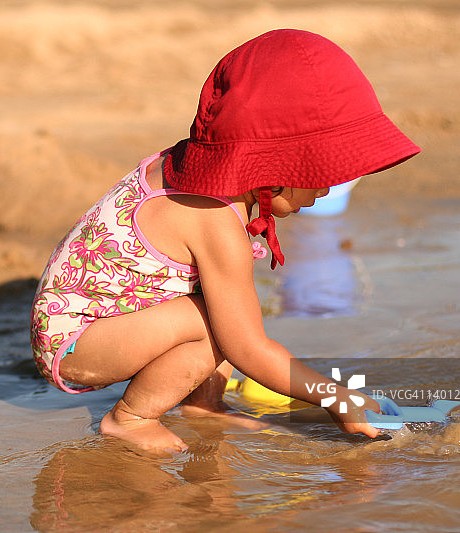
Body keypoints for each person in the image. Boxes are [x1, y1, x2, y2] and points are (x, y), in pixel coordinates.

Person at [30, 29, 420, 452]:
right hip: (76, 346)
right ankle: (131, 417)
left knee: (222, 308)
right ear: (276, 163)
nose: (325, 190)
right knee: (224, 324)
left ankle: (203, 404)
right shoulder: (214, 221)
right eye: (320, 173)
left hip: (90, 321)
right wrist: (337, 397)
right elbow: (248, 349)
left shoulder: (190, 169)